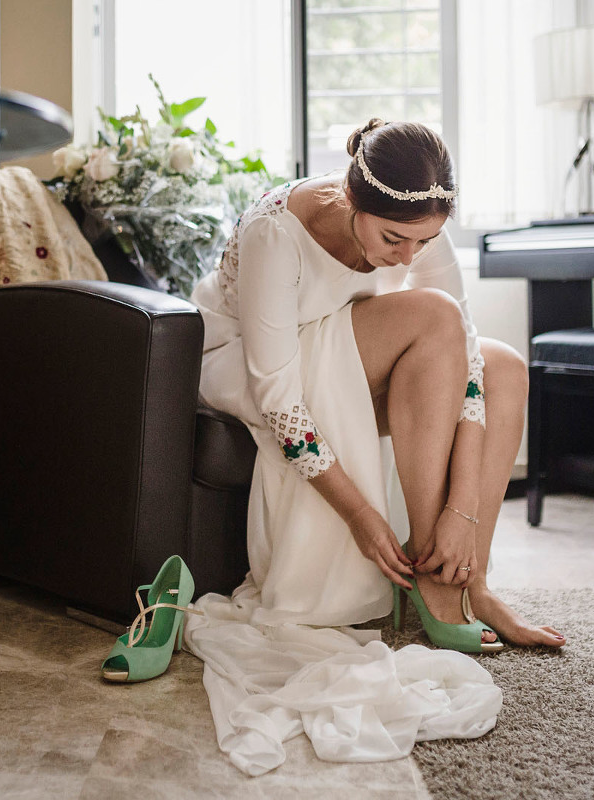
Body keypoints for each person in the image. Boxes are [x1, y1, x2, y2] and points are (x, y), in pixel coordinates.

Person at [188, 118, 566, 652]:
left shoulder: (414, 215)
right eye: (393, 239)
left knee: (504, 367)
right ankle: (432, 576)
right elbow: (279, 398)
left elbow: (470, 358)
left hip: (347, 354)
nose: (408, 257)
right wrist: (362, 517)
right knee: (435, 315)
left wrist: (464, 509)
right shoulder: (276, 234)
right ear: (350, 197)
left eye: (425, 241)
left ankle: (469, 579)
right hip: (250, 368)